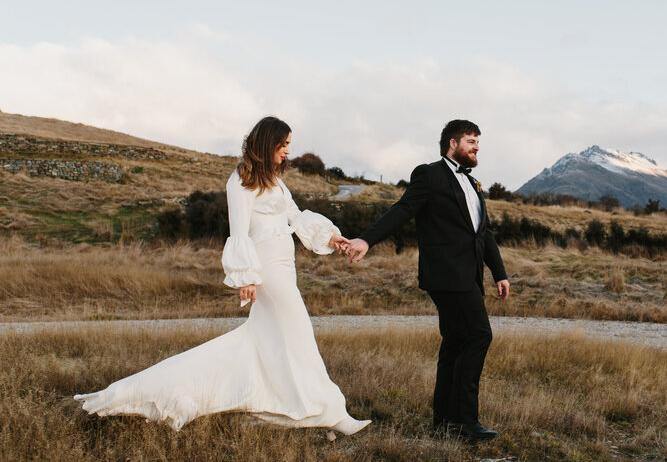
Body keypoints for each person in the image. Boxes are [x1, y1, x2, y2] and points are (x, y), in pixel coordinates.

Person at [75, 116, 370, 437]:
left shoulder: (275, 181)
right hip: (267, 269)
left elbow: (296, 218)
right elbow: (239, 232)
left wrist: (331, 238)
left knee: (263, 343)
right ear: (266, 142)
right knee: (299, 334)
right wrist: (246, 276)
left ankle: (295, 411)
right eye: (282, 144)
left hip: (285, 266)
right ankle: (332, 414)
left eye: (288, 145)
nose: (287, 151)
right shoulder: (241, 179)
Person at [347, 119, 510, 441]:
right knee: (479, 336)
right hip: (447, 274)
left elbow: (483, 233)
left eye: (478, 142)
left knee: (455, 342)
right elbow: (403, 209)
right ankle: (464, 420)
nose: (477, 148)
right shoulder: (430, 174)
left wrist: (499, 273)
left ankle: (445, 421)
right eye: (471, 141)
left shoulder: (474, 185)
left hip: (470, 275)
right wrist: (366, 240)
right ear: (453, 143)